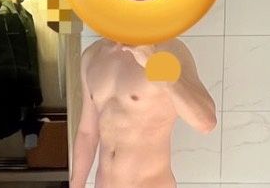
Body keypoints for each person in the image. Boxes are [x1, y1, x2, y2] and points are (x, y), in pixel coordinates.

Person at [70, 38, 216, 188]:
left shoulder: (169, 49)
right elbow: (87, 133)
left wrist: (155, 65)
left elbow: (206, 122)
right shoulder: (92, 54)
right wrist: (76, 185)